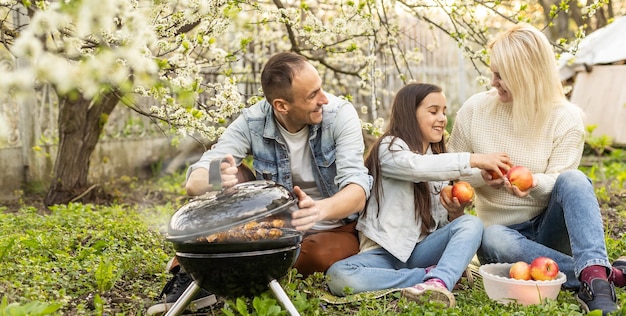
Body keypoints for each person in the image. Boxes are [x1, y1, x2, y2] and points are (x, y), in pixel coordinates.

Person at [147, 52, 372, 314]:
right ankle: (215, 267)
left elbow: (357, 190)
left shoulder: (339, 115)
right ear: (281, 106)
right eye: (312, 95)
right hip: (273, 227)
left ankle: (220, 266)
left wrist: (319, 210)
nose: (323, 99)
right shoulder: (253, 121)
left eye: (320, 88)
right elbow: (194, 183)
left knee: (318, 254)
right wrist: (215, 176)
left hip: (333, 225)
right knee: (234, 172)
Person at [446, 23, 625, 315]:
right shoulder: (474, 110)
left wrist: (532, 183)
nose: (493, 82)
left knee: (575, 179)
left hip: (549, 228)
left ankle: (596, 284)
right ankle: (600, 274)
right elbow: (453, 167)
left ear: (525, 76)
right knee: (491, 237)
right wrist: (483, 174)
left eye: (501, 75)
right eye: (493, 72)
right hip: (502, 239)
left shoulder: (565, 119)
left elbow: (561, 180)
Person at [325, 83, 511, 308]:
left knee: (470, 224)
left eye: (444, 111)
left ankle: (439, 280)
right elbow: (416, 167)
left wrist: (454, 214)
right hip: (384, 254)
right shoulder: (389, 148)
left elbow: (439, 224)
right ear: (409, 115)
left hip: (421, 250)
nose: (442, 118)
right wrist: (474, 159)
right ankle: (429, 278)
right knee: (339, 275)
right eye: (433, 112)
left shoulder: (440, 162)